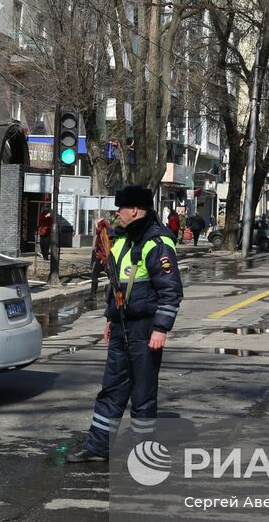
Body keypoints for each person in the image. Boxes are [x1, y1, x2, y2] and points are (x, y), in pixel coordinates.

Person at [66, 185, 183, 463]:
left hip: (145, 328)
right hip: (121, 326)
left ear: (134, 210)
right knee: (112, 388)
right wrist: (109, 319)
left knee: (142, 394)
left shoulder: (157, 243)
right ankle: (97, 447)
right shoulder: (120, 239)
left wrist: (160, 328)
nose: (117, 213)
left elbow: (171, 290)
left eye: (121, 208)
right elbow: (116, 286)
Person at [89, 215, 113, 296]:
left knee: (96, 275)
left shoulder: (102, 231)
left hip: (103, 257)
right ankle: (113, 293)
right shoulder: (106, 229)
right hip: (104, 256)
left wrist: (103, 257)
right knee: (110, 275)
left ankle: (93, 295)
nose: (95, 225)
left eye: (95, 223)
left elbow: (103, 246)